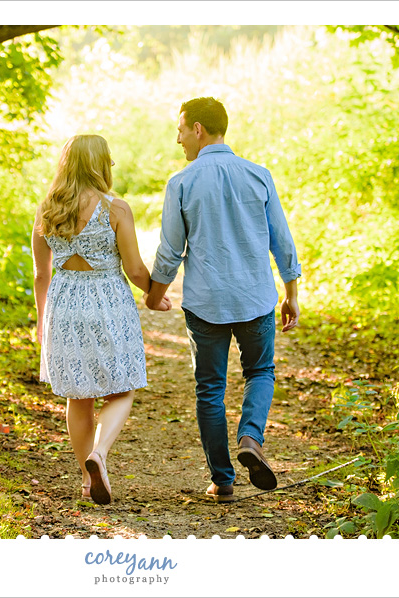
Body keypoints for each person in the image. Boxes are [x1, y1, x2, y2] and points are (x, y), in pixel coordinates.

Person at [145, 97, 301, 503]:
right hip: (255, 297)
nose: (178, 138)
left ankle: (223, 479)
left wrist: (154, 295)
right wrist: (291, 293)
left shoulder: (181, 183)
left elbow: (169, 252)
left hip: (206, 302)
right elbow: (281, 240)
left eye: (180, 129)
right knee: (261, 371)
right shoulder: (259, 175)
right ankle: (251, 436)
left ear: (198, 129)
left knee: (210, 389)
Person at [32, 134, 171, 505]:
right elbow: (136, 269)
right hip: (106, 301)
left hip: (63, 304)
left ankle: (85, 478)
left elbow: (41, 275)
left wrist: (42, 320)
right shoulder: (116, 209)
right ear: (102, 163)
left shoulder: (47, 209)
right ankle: (100, 454)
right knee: (121, 388)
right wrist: (155, 295)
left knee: (78, 398)